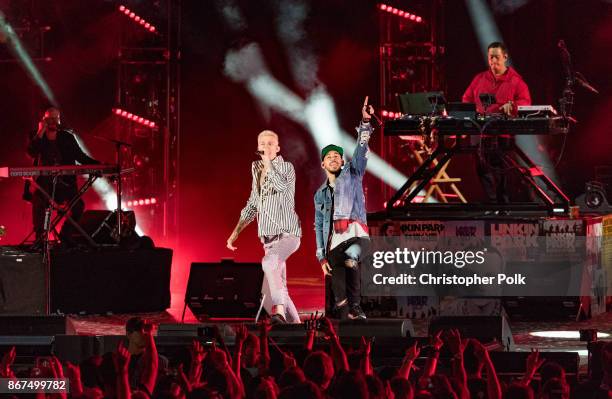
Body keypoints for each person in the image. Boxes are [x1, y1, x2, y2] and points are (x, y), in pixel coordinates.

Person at [227, 130, 302, 324]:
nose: (266, 147)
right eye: (262, 143)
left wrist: (268, 164)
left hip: (287, 235)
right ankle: (298, 328)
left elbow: (281, 187)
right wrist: (235, 232)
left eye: (270, 144)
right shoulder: (256, 170)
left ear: (277, 148)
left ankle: (279, 312)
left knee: (268, 263)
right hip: (268, 240)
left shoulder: (287, 167)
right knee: (281, 287)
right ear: (258, 147)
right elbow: (253, 204)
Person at [314, 97, 374, 320]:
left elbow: (361, 148)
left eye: (337, 156)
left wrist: (365, 122)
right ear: (323, 164)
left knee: (352, 256)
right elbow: (319, 225)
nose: (333, 159)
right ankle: (348, 315)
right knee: (340, 299)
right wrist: (321, 257)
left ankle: (357, 307)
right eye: (328, 156)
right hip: (334, 244)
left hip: (356, 235)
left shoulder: (353, 172)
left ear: (342, 161)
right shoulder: (320, 194)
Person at [462, 42, 531, 203]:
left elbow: (526, 102)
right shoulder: (479, 79)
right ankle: (492, 202)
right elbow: (466, 99)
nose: (493, 61)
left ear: (505, 57)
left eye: (496, 57)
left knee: (502, 169)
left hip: (502, 132)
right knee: (481, 168)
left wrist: (513, 106)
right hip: (480, 131)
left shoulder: (516, 81)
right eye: (490, 57)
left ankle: (503, 204)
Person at [26, 107, 100, 243]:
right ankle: (40, 239)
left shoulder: (67, 137)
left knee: (78, 206)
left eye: (55, 118)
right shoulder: (37, 135)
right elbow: (31, 152)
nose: (53, 121)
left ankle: (65, 236)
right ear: (43, 120)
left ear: (59, 120)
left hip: (65, 185)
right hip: (44, 184)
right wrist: (40, 131)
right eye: (49, 119)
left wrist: (99, 165)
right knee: (39, 202)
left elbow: (81, 157)